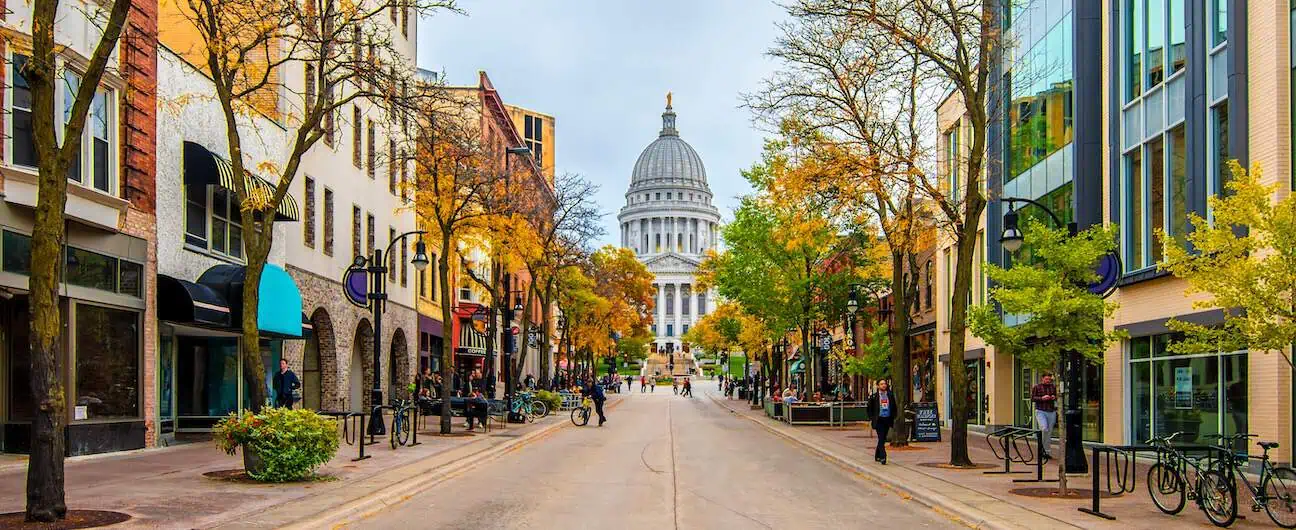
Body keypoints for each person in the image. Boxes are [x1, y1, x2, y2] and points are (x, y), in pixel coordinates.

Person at [867, 380, 899, 464]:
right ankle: (883, 456)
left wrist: (894, 415)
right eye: (881, 384)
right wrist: (871, 418)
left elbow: (894, 406)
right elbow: (869, 408)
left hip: (887, 418)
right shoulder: (874, 397)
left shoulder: (890, 395)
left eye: (884, 384)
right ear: (878, 386)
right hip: (879, 419)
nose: (883, 385)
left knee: (883, 438)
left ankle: (877, 454)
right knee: (881, 437)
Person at [1031, 373, 1058, 460]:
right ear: (1042, 379)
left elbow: (1058, 396)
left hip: (1051, 411)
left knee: (1048, 432)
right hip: (1041, 410)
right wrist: (1042, 398)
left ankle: (1046, 451)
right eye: (1046, 379)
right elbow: (1032, 398)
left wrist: (1054, 397)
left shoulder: (1053, 387)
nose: (1048, 381)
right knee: (1044, 428)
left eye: (1049, 379)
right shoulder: (1037, 387)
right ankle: (1041, 449)